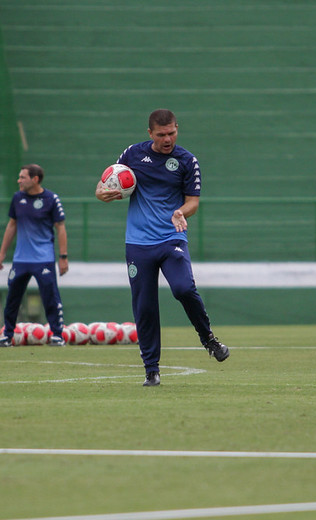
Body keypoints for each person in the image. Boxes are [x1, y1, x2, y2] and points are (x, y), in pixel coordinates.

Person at [95, 109, 229, 386]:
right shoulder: (132, 154)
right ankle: (151, 369)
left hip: (171, 238)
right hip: (138, 243)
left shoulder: (186, 160)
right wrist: (102, 193)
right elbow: (106, 180)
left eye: (172, 133)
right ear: (150, 134)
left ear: (177, 128)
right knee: (144, 306)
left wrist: (181, 212)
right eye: (161, 134)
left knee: (183, 288)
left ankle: (209, 339)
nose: (167, 139)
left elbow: (193, 201)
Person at [0, 164, 69, 347]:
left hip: (43, 258)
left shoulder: (51, 199)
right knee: (13, 297)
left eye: (22, 177)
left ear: (35, 179)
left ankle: (57, 335)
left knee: (50, 296)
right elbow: (12, 225)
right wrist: (2, 253)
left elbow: (60, 227)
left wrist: (63, 256)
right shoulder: (17, 198)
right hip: (20, 259)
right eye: (19, 177)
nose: (19, 180)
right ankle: (7, 336)